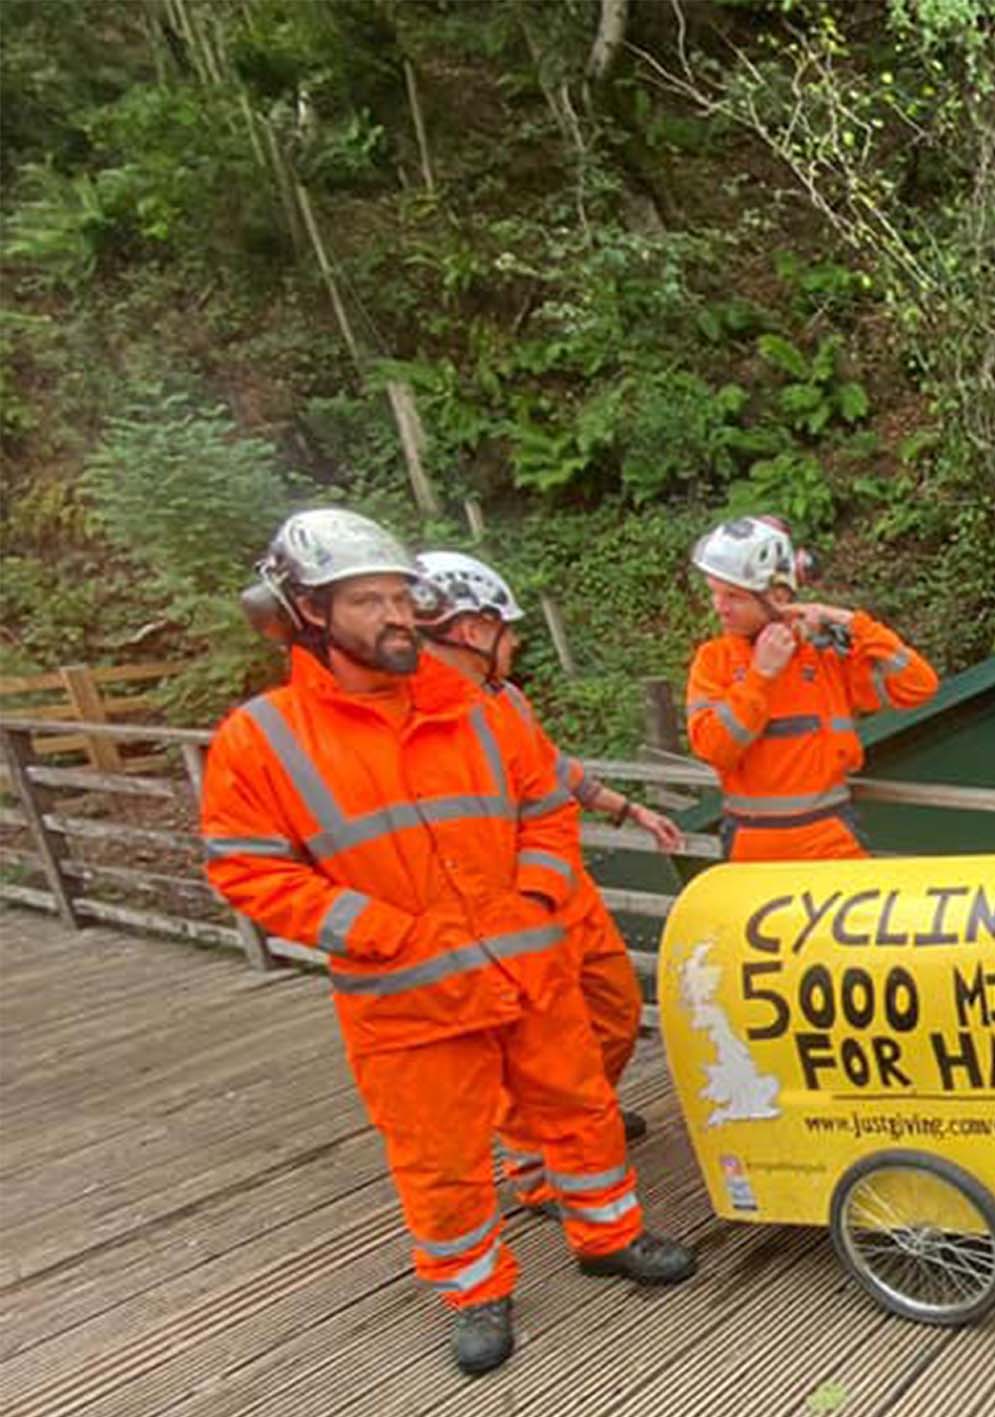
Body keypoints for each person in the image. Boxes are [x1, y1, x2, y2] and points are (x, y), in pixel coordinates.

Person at [199, 511, 696, 1378]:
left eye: (400, 595)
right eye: (367, 599)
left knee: (580, 1109)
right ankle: (475, 1290)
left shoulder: (474, 706)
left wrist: (539, 889)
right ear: (306, 613)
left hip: (527, 960)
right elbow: (247, 868)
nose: (396, 614)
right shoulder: (264, 738)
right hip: (409, 996)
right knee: (441, 1157)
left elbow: (544, 805)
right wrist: (378, 932)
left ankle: (609, 1234)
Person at [415, 549, 681, 1155]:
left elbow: (552, 769)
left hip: (559, 889)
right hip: (497, 911)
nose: (514, 646)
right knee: (528, 1043)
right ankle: (540, 1163)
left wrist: (626, 808)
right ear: (472, 629)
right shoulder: (420, 720)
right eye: (507, 632)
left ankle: (587, 1115)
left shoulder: (503, 699)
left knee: (615, 1010)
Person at [682, 515, 938, 861]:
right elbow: (714, 749)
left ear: (778, 595)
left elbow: (918, 685)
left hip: (829, 841)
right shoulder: (715, 659)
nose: (719, 607)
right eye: (715, 592)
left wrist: (849, 621)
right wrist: (761, 675)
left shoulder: (825, 658)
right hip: (752, 847)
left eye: (733, 596)